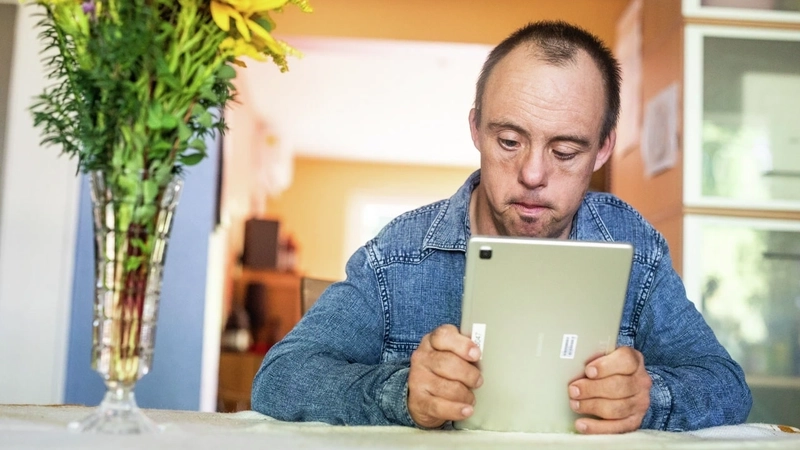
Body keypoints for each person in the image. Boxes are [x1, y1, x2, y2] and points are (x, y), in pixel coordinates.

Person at [251, 20, 752, 434]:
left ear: (602, 149)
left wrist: (647, 398)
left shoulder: (635, 246)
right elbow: (279, 378)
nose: (533, 174)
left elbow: (726, 385)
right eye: (509, 142)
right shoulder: (398, 254)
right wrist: (401, 393)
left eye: (565, 151)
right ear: (476, 129)